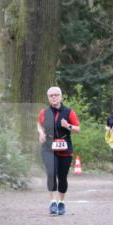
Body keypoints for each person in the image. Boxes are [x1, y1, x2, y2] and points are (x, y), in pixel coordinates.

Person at [37, 86, 80, 216]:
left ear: (61, 96)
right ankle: (53, 202)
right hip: (48, 148)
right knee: (51, 173)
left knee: (62, 177)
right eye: (51, 95)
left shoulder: (69, 112)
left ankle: (61, 203)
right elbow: (39, 124)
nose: (54, 97)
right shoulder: (44, 112)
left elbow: (78, 129)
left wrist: (68, 126)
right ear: (48, 98)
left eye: (56, 94)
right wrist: (40, 133)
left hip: (64, 148)